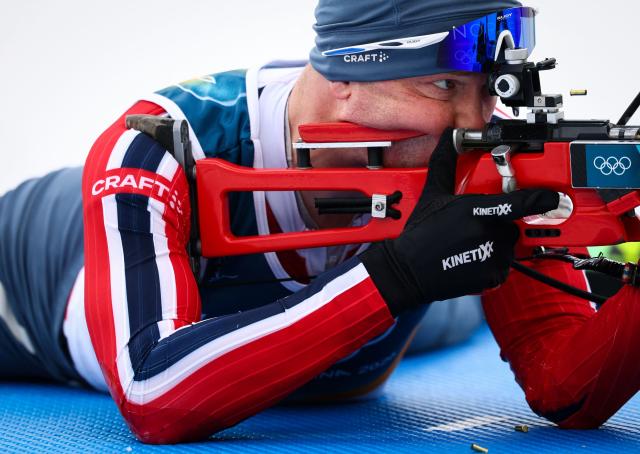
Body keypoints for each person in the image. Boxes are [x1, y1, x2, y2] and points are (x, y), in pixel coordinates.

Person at [0, 0, 638, 445]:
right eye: (445, 85)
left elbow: (566, 390)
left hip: (401, 335)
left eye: (491, 90)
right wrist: (395, 277)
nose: (475, 126)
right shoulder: (156, 145)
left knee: (457, 308)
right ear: (346, 77)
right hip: (27, 282)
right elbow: (151, 391)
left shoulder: (487, 157)